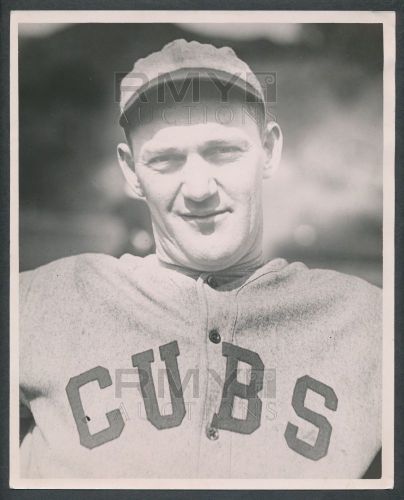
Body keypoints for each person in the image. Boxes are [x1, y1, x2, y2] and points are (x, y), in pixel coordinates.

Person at [19, 39, 382, 479]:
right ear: (131, 171)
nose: (198, 189)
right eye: (166, 160)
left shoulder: (370, 322)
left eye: (223, 152)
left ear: (269, 150)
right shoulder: (38, 302)